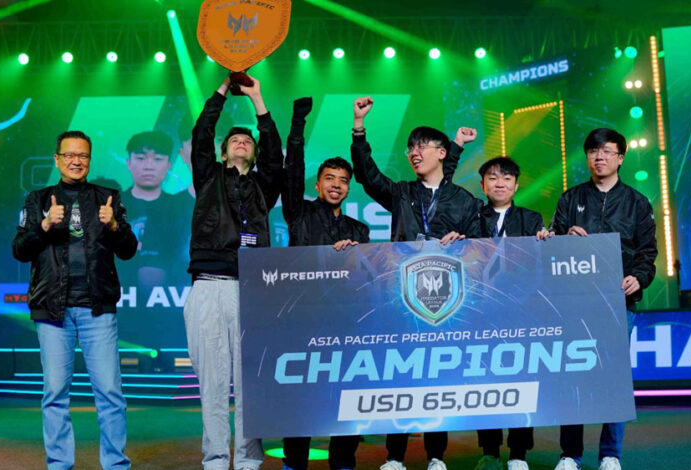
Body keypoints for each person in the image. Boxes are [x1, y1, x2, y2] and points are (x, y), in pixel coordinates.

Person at [350, 96, 481, 470]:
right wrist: (358, 127)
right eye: (410, 148)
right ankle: (394, 456)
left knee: (438, 379)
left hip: (448, 302)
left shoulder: (465, 201)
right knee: (401, 377)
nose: (413, 153)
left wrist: (464, 243)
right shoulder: (403, 193)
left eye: (421, 146)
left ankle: (436, 456)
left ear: (441, 153)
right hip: (402, 297)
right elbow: (368, 175)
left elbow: (481, 248)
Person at [12, 130, 137, 470]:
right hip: (53, 310)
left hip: (97, 308)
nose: (76, 161)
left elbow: (129, 250)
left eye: (82, 155)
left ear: (89, 160)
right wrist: (43, 225)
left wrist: (114, 226)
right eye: (69, 155)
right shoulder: (37, 199)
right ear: (57, 160)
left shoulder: (108, 197)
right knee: (54, 393)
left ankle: (116, 464)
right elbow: (19, 250)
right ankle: (59, 464)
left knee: (110, 393)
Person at [183, 75, 283, 470]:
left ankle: (247, 460)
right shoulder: (207, 177)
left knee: (249, 382)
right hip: (208, 285)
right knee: (211, 381)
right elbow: (201, 133)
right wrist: (224, 88)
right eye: (234, 140)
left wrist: (257, 97)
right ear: (223, 152)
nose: (242, 142)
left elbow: (275, 155)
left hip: (251, 288)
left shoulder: (263, 188)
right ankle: (214, 459)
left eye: (248, 141)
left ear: (253, 154)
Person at [549, 128, 657, 470]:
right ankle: (570, 454)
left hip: (618, 303)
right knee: (574, 377)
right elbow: (551, 247)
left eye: (607, 151)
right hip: (575, 302)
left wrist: (638, 278)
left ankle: (611, 454)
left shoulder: (638, 202)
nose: (599, 157)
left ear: (620, 158)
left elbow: (648, 254)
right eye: (593, 151)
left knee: (614, 378)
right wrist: (563, 239)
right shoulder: (570, 199)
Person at [280, 97, 370, 470]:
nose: (336, 185)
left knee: (345, 396)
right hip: (302, 320)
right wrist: (297, 125)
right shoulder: (299, 212)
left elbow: (368, 279)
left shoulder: (360, 230)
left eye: (343, 180)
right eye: (329, 179)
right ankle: (294, 462)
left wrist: (354, 257)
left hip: (345, 324)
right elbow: (291, 172)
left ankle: (343, 462)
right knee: (301, 396)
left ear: (349, 188)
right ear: (317, 184)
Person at [472, 156, 549, 470]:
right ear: (483, 185)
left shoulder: (531, 219)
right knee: (484, 381)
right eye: (492, 178)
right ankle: (490, 451)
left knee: (521, 381)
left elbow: (538, 265)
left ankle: (519, 453)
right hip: (480, 312)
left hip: (520, 311)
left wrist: (546, 242)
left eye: (506, 178)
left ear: (516, 185)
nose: (499, 184)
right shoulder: (471, 217)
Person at [120, 130, 192, 286]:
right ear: (129, 163)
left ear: (168, 165)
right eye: (140, 158)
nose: (149, 166)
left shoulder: (179, 207)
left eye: (158, 159)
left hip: (171, 293)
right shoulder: (113, 205)